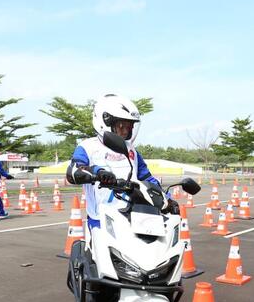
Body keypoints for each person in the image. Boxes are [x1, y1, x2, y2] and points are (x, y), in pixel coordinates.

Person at [65, 94, 179, 236]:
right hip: (102, 219)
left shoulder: (131, 151)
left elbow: (147, 179)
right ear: (105, 122)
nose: (125, 131)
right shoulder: (88, 147)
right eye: (121, 126)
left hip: (136, 216)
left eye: (129, 126)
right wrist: (97, 172)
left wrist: (167, 199)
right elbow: (74, 171)